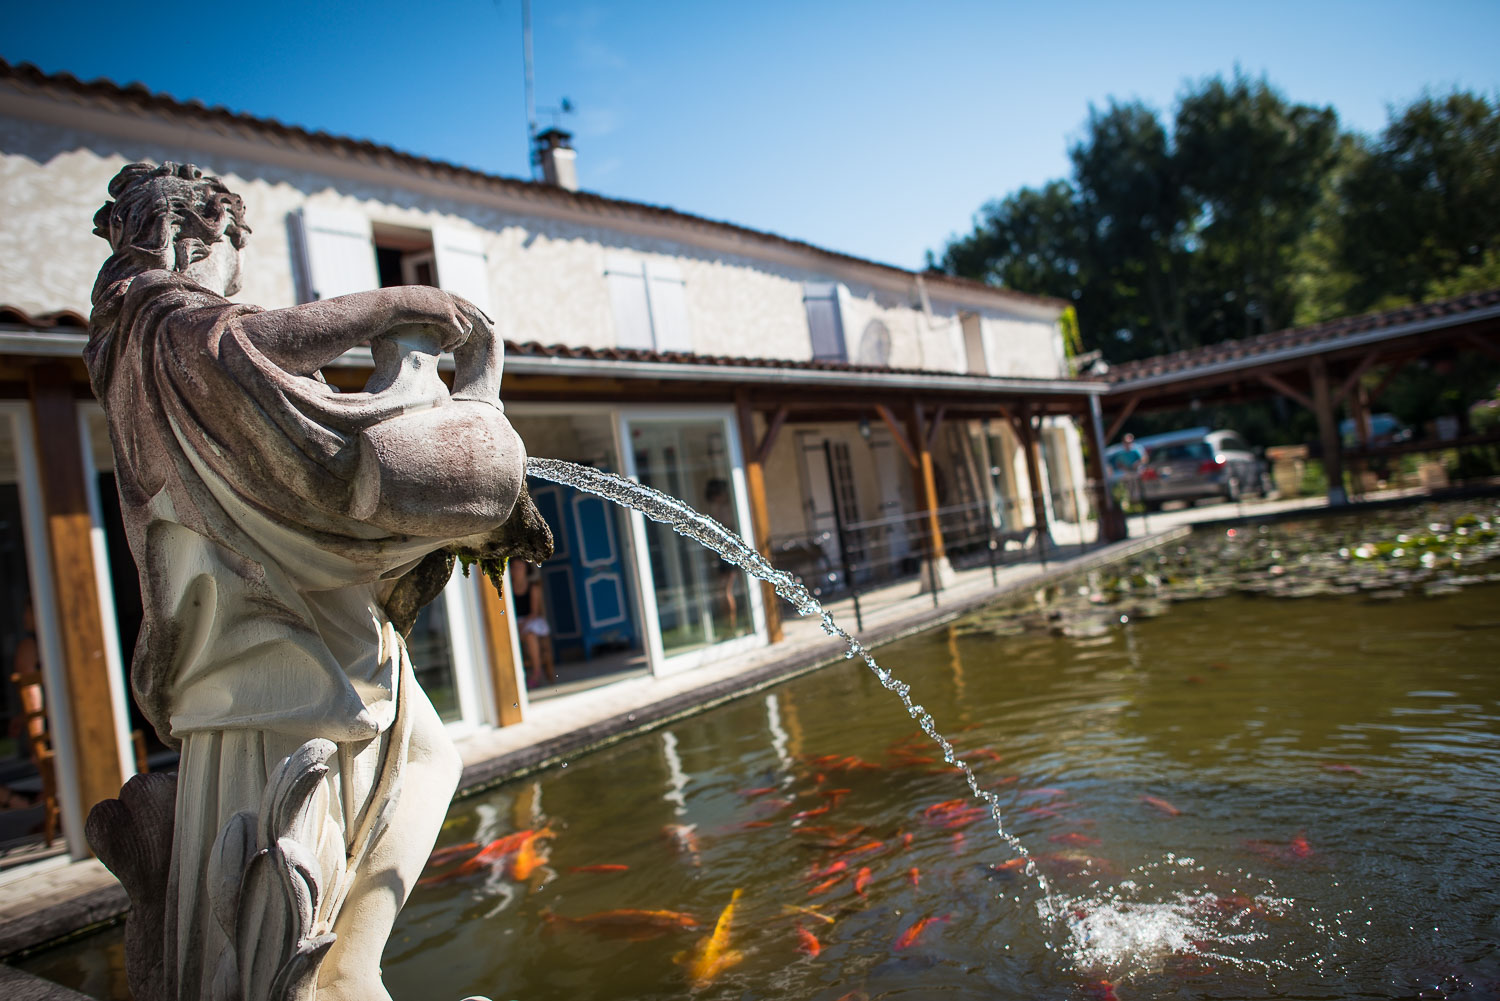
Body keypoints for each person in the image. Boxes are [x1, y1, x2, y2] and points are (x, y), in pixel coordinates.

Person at [86, 162, 549, 1001]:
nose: (236, 273)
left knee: (422, 758)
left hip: (266, 615)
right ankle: (331, 977)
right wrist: (398, 306)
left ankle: (345, 965)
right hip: (268, 630)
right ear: (196, 237)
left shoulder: (127, 342)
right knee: (373, 780)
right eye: (232, 246)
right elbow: (245, 344)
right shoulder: (159, 320)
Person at [510, 560, 556, 686]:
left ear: (526, 569)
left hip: (531, 620)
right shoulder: (507, 588)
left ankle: (537, 672)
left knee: (530, 635)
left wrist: (522, 625)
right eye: (514, 568)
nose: (517, 570)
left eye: (520, 567)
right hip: (515, 621)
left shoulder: (533, 587)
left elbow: (534, 612)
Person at [703, 479, 739, 634]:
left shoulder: (727, 510)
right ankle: (728, 625)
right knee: (722, 592)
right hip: (721, 553)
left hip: (729, 552)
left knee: (726, 591)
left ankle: (731, 626)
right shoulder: (716, 509)